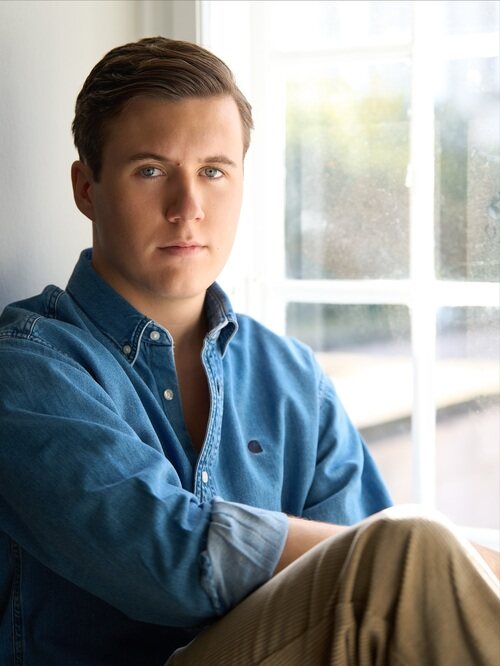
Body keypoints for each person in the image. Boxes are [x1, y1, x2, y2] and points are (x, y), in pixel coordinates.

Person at [0, 37, 497, 666]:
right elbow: (172, 560)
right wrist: (417, 553)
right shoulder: (28, 364)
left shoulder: (292, 376)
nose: (188, 208)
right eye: (151, 170)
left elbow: (387, 605)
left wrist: (406, 556)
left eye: (213, 171)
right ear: (86, 188)